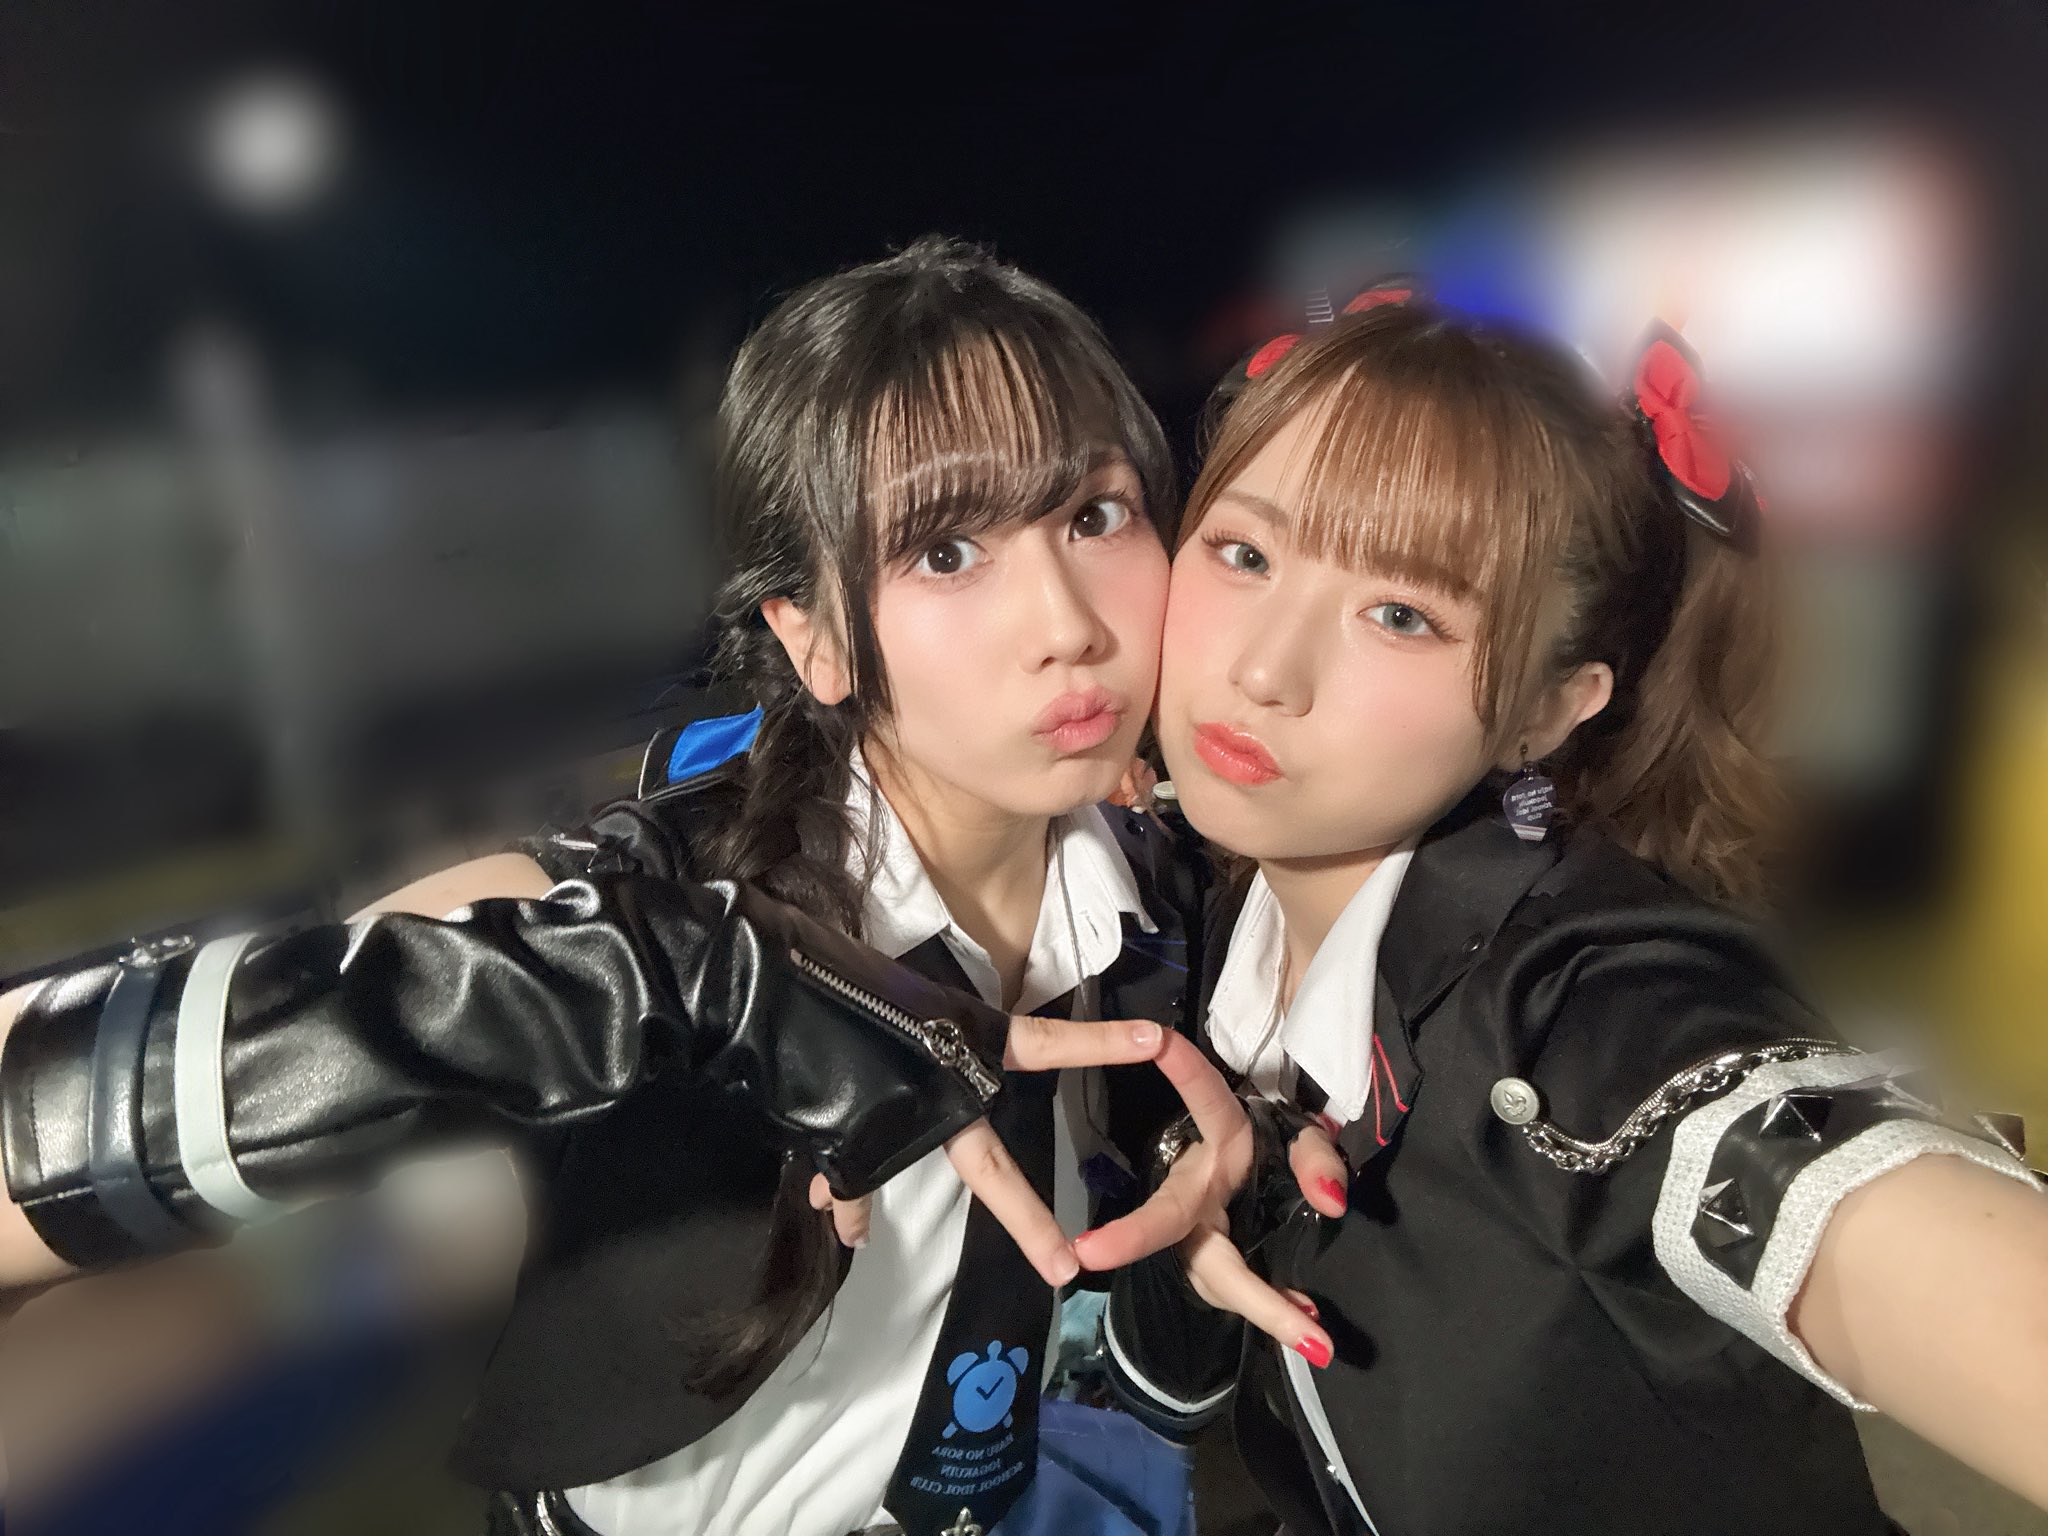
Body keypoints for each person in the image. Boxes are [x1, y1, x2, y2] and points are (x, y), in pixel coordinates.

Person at [0, 237, 1221, 1536]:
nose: (1066, 623)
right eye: (945, 551)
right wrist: (660, 984)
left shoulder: (1155, 908)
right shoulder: (651, 907)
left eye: (1095, 517)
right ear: (812, 639)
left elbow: (1155, 1354)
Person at [1082, 297, 2048, 1533]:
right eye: (1244, 554)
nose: (1263, 669)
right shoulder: (1207, 915)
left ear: (1547, 709)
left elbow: (1797, 1170)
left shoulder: (1575, 1018)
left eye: (1401, 615)